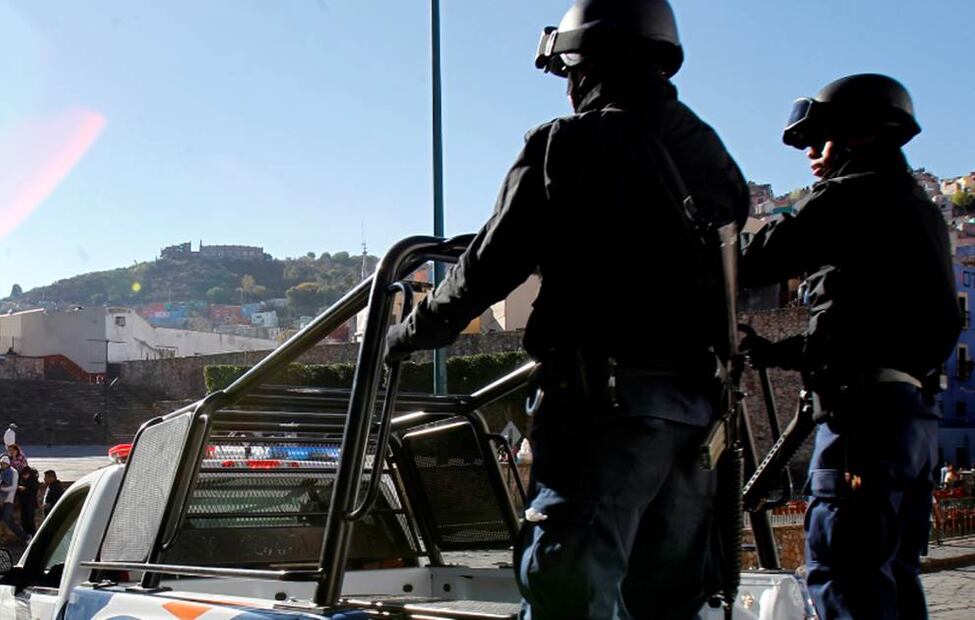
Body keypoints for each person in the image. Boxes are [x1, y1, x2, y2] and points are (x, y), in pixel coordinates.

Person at [386, 1, 748, 616]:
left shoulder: (568, 144)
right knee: (665, 599)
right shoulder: (708, 151)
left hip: (602, 413)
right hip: (694, 420)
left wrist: (410, 331)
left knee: (567, 590)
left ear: (582, 64)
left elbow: (487, 266)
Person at [740, 74, 961, 619]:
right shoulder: (919, 210)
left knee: (844, 574)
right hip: (913, 419)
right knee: (894, 575)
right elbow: (867, 322)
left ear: (859, 135)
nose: (812, 154)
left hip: (864, 422)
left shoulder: (853, 195)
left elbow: (758, 258)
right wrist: (779, 352)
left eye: (822, 139)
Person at [0, 456, 31, 544]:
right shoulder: (0, 472)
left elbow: (13, 487)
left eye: (3, 464)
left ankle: (25, 537)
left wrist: (2, 489)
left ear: (7, 464)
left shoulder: (13, 473)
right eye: (0, 464)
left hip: (9, 499)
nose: (1, 465)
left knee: (8, 520)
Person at [17, 467, 40, 536]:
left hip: (30, 503)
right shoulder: (21, 479)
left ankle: (33, 536)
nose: (24, 477)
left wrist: (25, 489)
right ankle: (27, 535)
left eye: (25, 475)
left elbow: (34, 491)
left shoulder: (33, 480)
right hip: (23, 503)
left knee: (30, 521)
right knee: (23, 521)